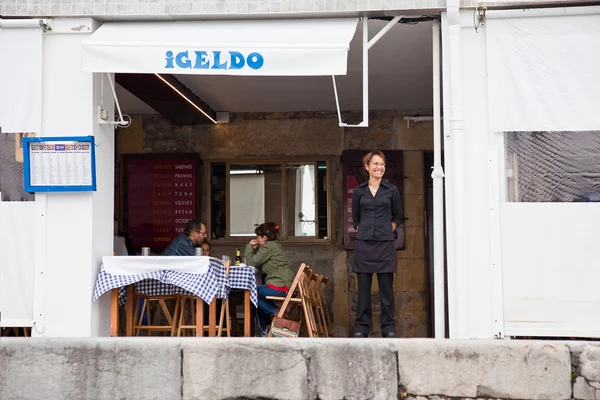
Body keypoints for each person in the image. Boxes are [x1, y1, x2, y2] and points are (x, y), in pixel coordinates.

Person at [351, 150, 403, 338]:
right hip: (364, 245)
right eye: (375, 164)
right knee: (363, 290)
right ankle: (362, 327)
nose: (379, 167)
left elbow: (398, 215)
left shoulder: (392, 190)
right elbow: (355, 218)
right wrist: (363, 229)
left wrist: (389, 228)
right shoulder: (359, 191)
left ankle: (388, 327)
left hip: (385, 245)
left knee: (386, 291)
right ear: (367, 167)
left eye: (382, 164)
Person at [244, 222, 294, 336]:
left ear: (264, 237)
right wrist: (256, 250)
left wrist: (249, 246)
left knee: (249, 293)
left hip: (279, 285)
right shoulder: (274, 245)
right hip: (282, 284)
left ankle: (273, 313)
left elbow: (252, 262)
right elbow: (259, 260)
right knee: (254, 296)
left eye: (258, 237)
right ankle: (268, 328)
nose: (257, 239)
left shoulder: (269, 246)